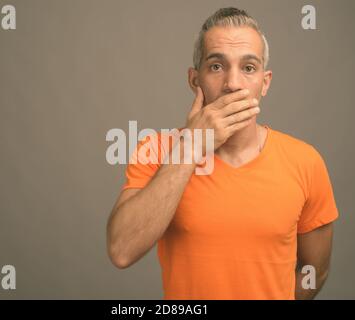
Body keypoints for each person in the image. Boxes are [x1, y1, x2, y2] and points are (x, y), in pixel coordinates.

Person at [106, 7, 339, 300]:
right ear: (195, 80)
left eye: (249, 68)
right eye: (216, 66)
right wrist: (191, 145)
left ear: (264, 83)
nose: (232, 84)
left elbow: (314, 271)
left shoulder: (306, 161)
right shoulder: (156, 150)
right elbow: (121, 250)